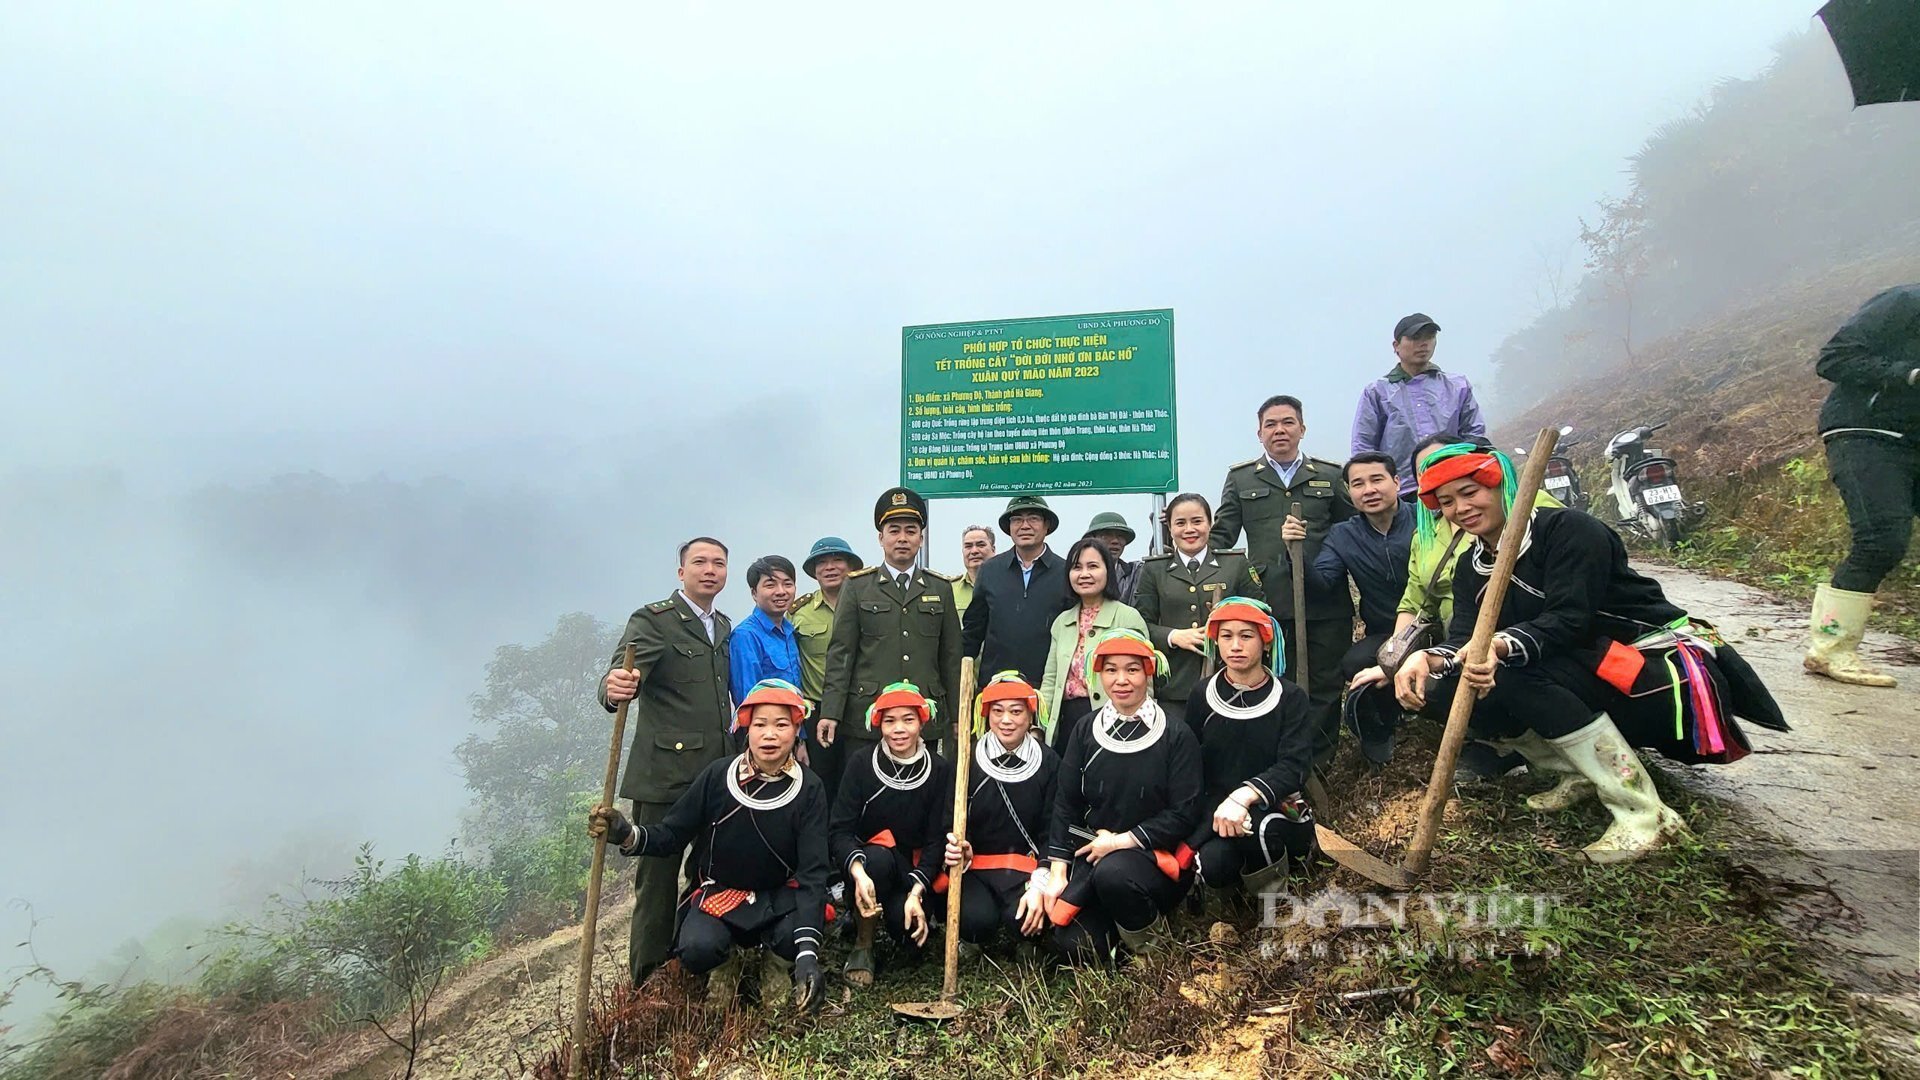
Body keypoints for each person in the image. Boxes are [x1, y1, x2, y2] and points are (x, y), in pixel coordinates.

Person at [1391, 446, 1785, 863]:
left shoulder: (1570, 531)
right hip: (1576, 664)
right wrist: (1429, 659)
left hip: (1650, 665)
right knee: (1442, 687)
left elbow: (1569, 620)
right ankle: (1575, 771)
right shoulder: (1473, 565)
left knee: (1512, 675)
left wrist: (1501, 646)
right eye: (1447, 502)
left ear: (1500, 484)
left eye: (1470, 492)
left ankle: (1644, 813)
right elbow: (1467, 636)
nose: (1461, 508)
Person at [587, 680, 828, 1010]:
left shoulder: (810, 789)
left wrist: (807, 956)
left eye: (781, 725)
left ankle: (777, 964)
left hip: (777, 896)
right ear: (746, 728)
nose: (769, 735)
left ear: (797, 729)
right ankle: (723, 966)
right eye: (760, 725)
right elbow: (673, 834)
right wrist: (627, 834)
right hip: (722, 895)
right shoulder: (718, 776)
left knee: (792, 938)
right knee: (697, 949)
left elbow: (814, 873)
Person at [1352, 432, 1560, 775]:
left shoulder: (1529, 504)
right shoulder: (1427, 532)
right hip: (1462, 635)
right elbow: (1416, 598)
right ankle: (1508, 742)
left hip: (1529, 626)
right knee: (1421, 680)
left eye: (1449, 464)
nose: (1442, 476)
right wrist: (1393, 660)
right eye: (1430, 475)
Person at [598, 537, 736, 986]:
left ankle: (689, 961)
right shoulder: (654, 620)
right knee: (656, 884)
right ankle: (646, 980)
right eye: (699, 562)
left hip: (716, 775)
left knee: (707, 872)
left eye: (718, 563)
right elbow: (624, 670)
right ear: (681, 572)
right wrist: (613, 686)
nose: (709, 570)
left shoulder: (724, 626)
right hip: (667, 777)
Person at [1040, 629, 1203, 963]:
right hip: (1094, 855)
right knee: (1072, 945)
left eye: (1132, 669)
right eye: (1111, 670)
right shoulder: (1085, 730)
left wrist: (1119, 842)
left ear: (1148, 672)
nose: (1121, 680)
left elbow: (1184, 812)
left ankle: (1153, 950)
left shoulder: (1176, 734)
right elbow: (1066, 802)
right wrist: (1057, 871)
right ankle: (1121, 935)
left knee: (1114, 874)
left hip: (1152, 860)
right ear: (1099, 675)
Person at [1211, 395, 1356, 764]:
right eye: (1271, 424)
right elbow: (1222, 537)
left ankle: (1318, 767)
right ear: (1259, 433)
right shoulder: (1242, 478)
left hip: (1324, 601)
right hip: (1268, 602)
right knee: (1274, 681)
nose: (1280, 430)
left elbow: (1351, 532)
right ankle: (1277, 768)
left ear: (1302, 429)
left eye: (1288, 422)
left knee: (1324, 686)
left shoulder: (1329, 475)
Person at [1807, 283, 1920, 688]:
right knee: (1881, 539)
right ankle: (1830, 650)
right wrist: (1906, 374)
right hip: (1866, 431)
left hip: (1915, 438)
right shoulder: (1907, 302)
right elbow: (1833, 358)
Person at [1184, 597, 1315, 897]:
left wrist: (1244, 796)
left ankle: (1277, 905)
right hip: (1218, 812)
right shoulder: (1202, 695)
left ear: (1266, 643)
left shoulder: (1290, 698)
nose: (1235, 646)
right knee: (1214, 864)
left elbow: (1294, 766)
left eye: (1246, 636)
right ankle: (1235, 914)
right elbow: (1191, 764)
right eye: (1226, 637)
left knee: (1259, 830)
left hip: (1275, 809)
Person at [819, 488, 962, 757]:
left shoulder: (940, 588)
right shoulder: (857, 586)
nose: (902, 538)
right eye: (894, 530)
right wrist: (831, 712)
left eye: (910, 531)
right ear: (881, 538)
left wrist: (957, 715)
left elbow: (951, 657)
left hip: (924, 713)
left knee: (923, 792)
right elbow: (841, 655)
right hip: (869, 716)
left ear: (921, 538)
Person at [828, 682, 954, 987]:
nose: (899, 729)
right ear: (878, 724)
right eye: (890, 721)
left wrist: (915, 893)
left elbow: (939, 838)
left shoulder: (939, 770)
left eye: (908, 720)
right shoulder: (860, 764)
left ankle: (909, 910)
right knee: (878, 861)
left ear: (922, 722)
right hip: (871, 866)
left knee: (910, 936)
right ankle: (863, 941)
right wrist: (857, 873)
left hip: (913, 869)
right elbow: (839, 830)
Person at [941, 672, 1060, 955]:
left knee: (1021, 920)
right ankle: (970, 937)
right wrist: (960, 846)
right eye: (998, 711)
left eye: (1016, 711)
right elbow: (949, 816)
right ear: (986, 714)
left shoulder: (1049, 762)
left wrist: (1041, 881)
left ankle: (1028, 938)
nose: (1006, 720)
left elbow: (1053, 827)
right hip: (976, 868)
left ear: (1030, 716)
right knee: (975, 921)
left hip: (1025, 870)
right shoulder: (966, 758)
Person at [1305, 453, 1412, 766]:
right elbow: (1323, 581)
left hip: (1439, 626)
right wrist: (1294, 555)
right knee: (1356, 664)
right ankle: (1382, 730)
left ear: (1396, 482)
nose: (1369, 490)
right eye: (1358, 484)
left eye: (1377, 480)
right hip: (1384, 633)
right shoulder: (1343, 535)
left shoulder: (1427, 520)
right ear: (1349, 492)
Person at [1134, 492, 1262, 727]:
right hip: (1175, 685)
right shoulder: (1154, 570)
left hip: (1231, 680)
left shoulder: (1236, 565)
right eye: (1180, 523)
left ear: (1210, 524)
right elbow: (1139, 626)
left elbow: (1262, 617)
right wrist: (1174, 636)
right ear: (1170, 528)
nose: (1189, 529)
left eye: (1197, 521)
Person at [1349, 312, 1487, 498]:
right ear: (1396, 346)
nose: (1423, 344)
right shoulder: (1377, 392)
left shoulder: (1457, 385)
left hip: (1452, 485)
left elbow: (1474, 435)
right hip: (1403, 493)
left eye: (1429, 337)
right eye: (1415, 338)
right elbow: (1363, 448)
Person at [1039, 538, 1150, 752]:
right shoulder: (1062, 622)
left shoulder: (1128, 617)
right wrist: (1040, 726)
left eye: (1093, 566)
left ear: (1108, 571)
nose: (1084, 574)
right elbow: (1051, 681)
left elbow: (1146, 678)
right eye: (1076, 567)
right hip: (1067, 723)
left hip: (1116, 720)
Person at [963, 495, 1073, 686]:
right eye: (1017, 520)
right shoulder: (990, 570)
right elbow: (973, 632)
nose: (1025, 526)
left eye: (1033, 518)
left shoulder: (1065, 572)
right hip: (996, 688)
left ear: (1046, 525)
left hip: (1048, 687)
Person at [791, 537, 861, 799]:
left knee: (858, 780)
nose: (830, 567)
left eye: (837, 560)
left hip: (857, 708)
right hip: (816, 712)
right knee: (819, 785)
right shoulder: (799, 612)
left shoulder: (867, 605)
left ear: (851, 566)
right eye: (822, 562)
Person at [728, 555, 802, 741]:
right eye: (770, 585)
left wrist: (800, 739)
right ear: (754, 593)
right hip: (766, 739)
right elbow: (748, 700)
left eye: (787, 584)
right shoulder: (746, 635)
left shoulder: (789, 631)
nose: (781, 591)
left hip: (793, 734)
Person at [1085, 511, 1144, 602]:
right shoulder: (1078, 575)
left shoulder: (1134, 573)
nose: (1115, 541)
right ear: (1091, 539)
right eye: (1106, 535)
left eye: (1120, 536)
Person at [954, 525, 995, 617]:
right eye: (968, 546)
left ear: (993, 550)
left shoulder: (1008, 585)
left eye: (981, 545)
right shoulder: (950, 590)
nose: (974, 551)